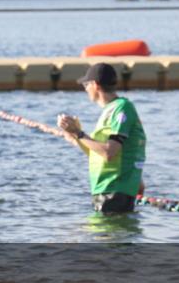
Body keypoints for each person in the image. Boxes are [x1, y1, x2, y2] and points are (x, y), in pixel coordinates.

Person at [57, 63, 147, 214]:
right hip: (107, 191)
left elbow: (109, 152)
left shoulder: (121, 108)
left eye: (86, 84)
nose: (85, 89)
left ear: (95, 85)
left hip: (113, 192)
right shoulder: (111, 110)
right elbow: (98, 153)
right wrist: (74, 136)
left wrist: (79, 133)